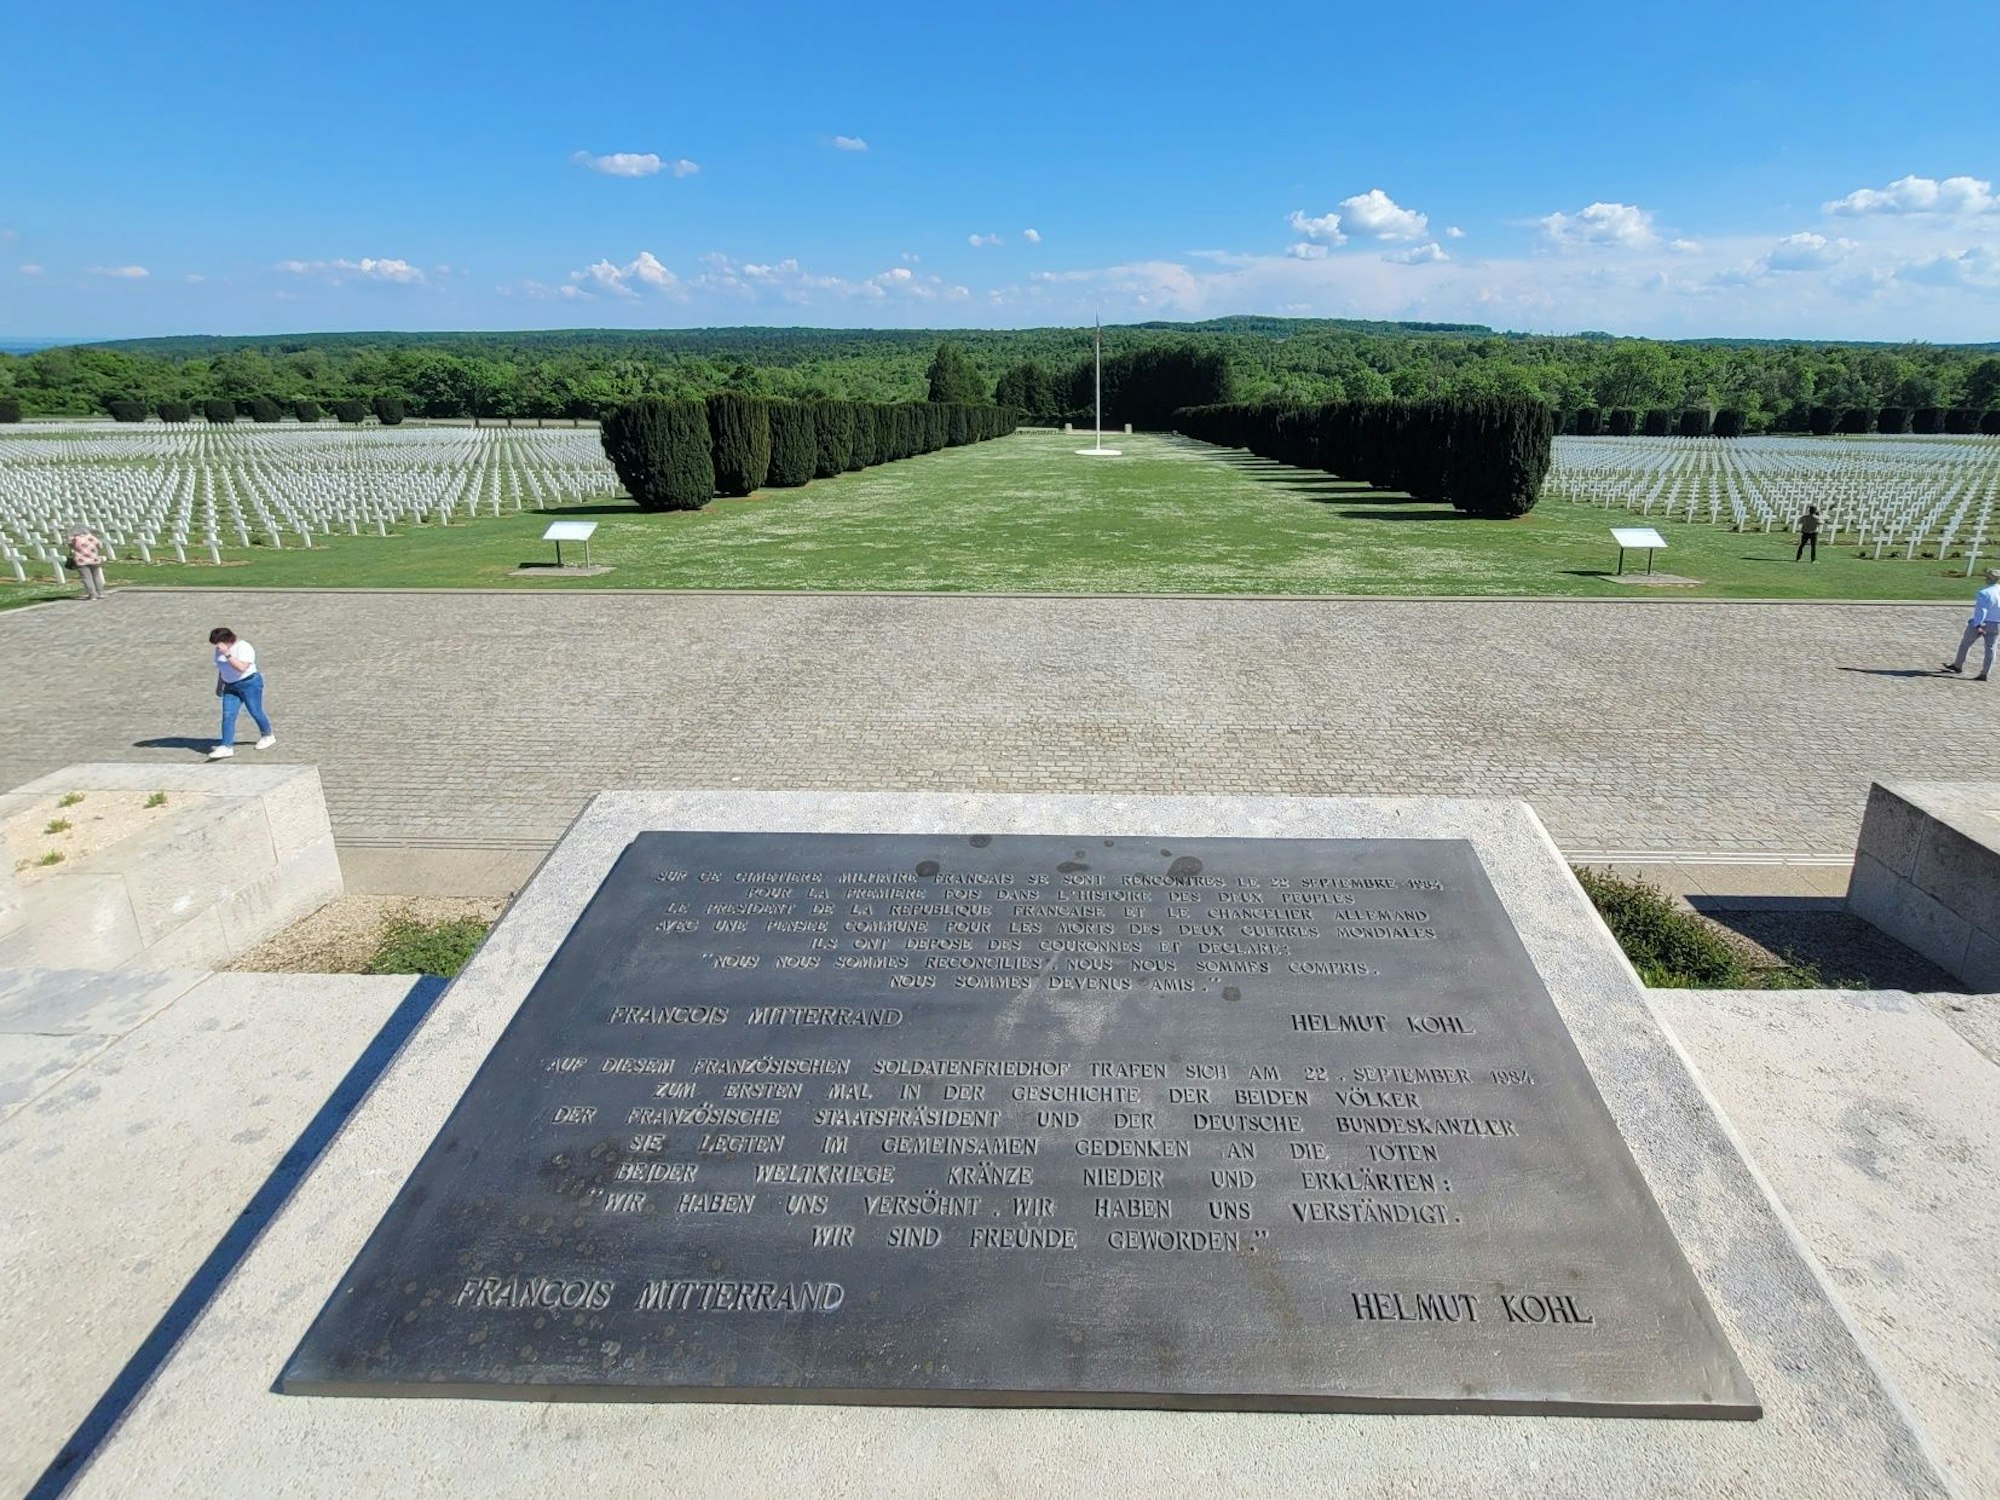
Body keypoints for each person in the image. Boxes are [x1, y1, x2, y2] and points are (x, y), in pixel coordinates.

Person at [207, 627, 276, 759]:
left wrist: (227, 654)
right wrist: (220, 685)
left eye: (219, 643)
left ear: (227, 640)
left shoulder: (244, 647)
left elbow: (241, 667)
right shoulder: (219, 650)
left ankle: (268, 735)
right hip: (230, 686)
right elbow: (222, 668)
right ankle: (227, 746)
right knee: (228, 715)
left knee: (255, 711)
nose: (217, 647)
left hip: (249, 683)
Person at [1943, 570, 2000, 683]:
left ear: (1988, 578)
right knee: (1991, 649)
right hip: (1996, 623)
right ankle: (1985, 673)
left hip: (1983, 623)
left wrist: (1978, 624)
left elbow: (1982, 611)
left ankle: (1958, 665)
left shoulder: (1984, 592)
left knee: (1965, 643)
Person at [68, 526, 106, 599]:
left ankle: (92, 595)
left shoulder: (74, 539)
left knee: (87, 578)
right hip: (94, 560)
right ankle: (100, 592)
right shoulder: (92, 537)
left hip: (81, 561)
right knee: (96, 576)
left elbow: (71, 547)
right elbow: (99, 546)